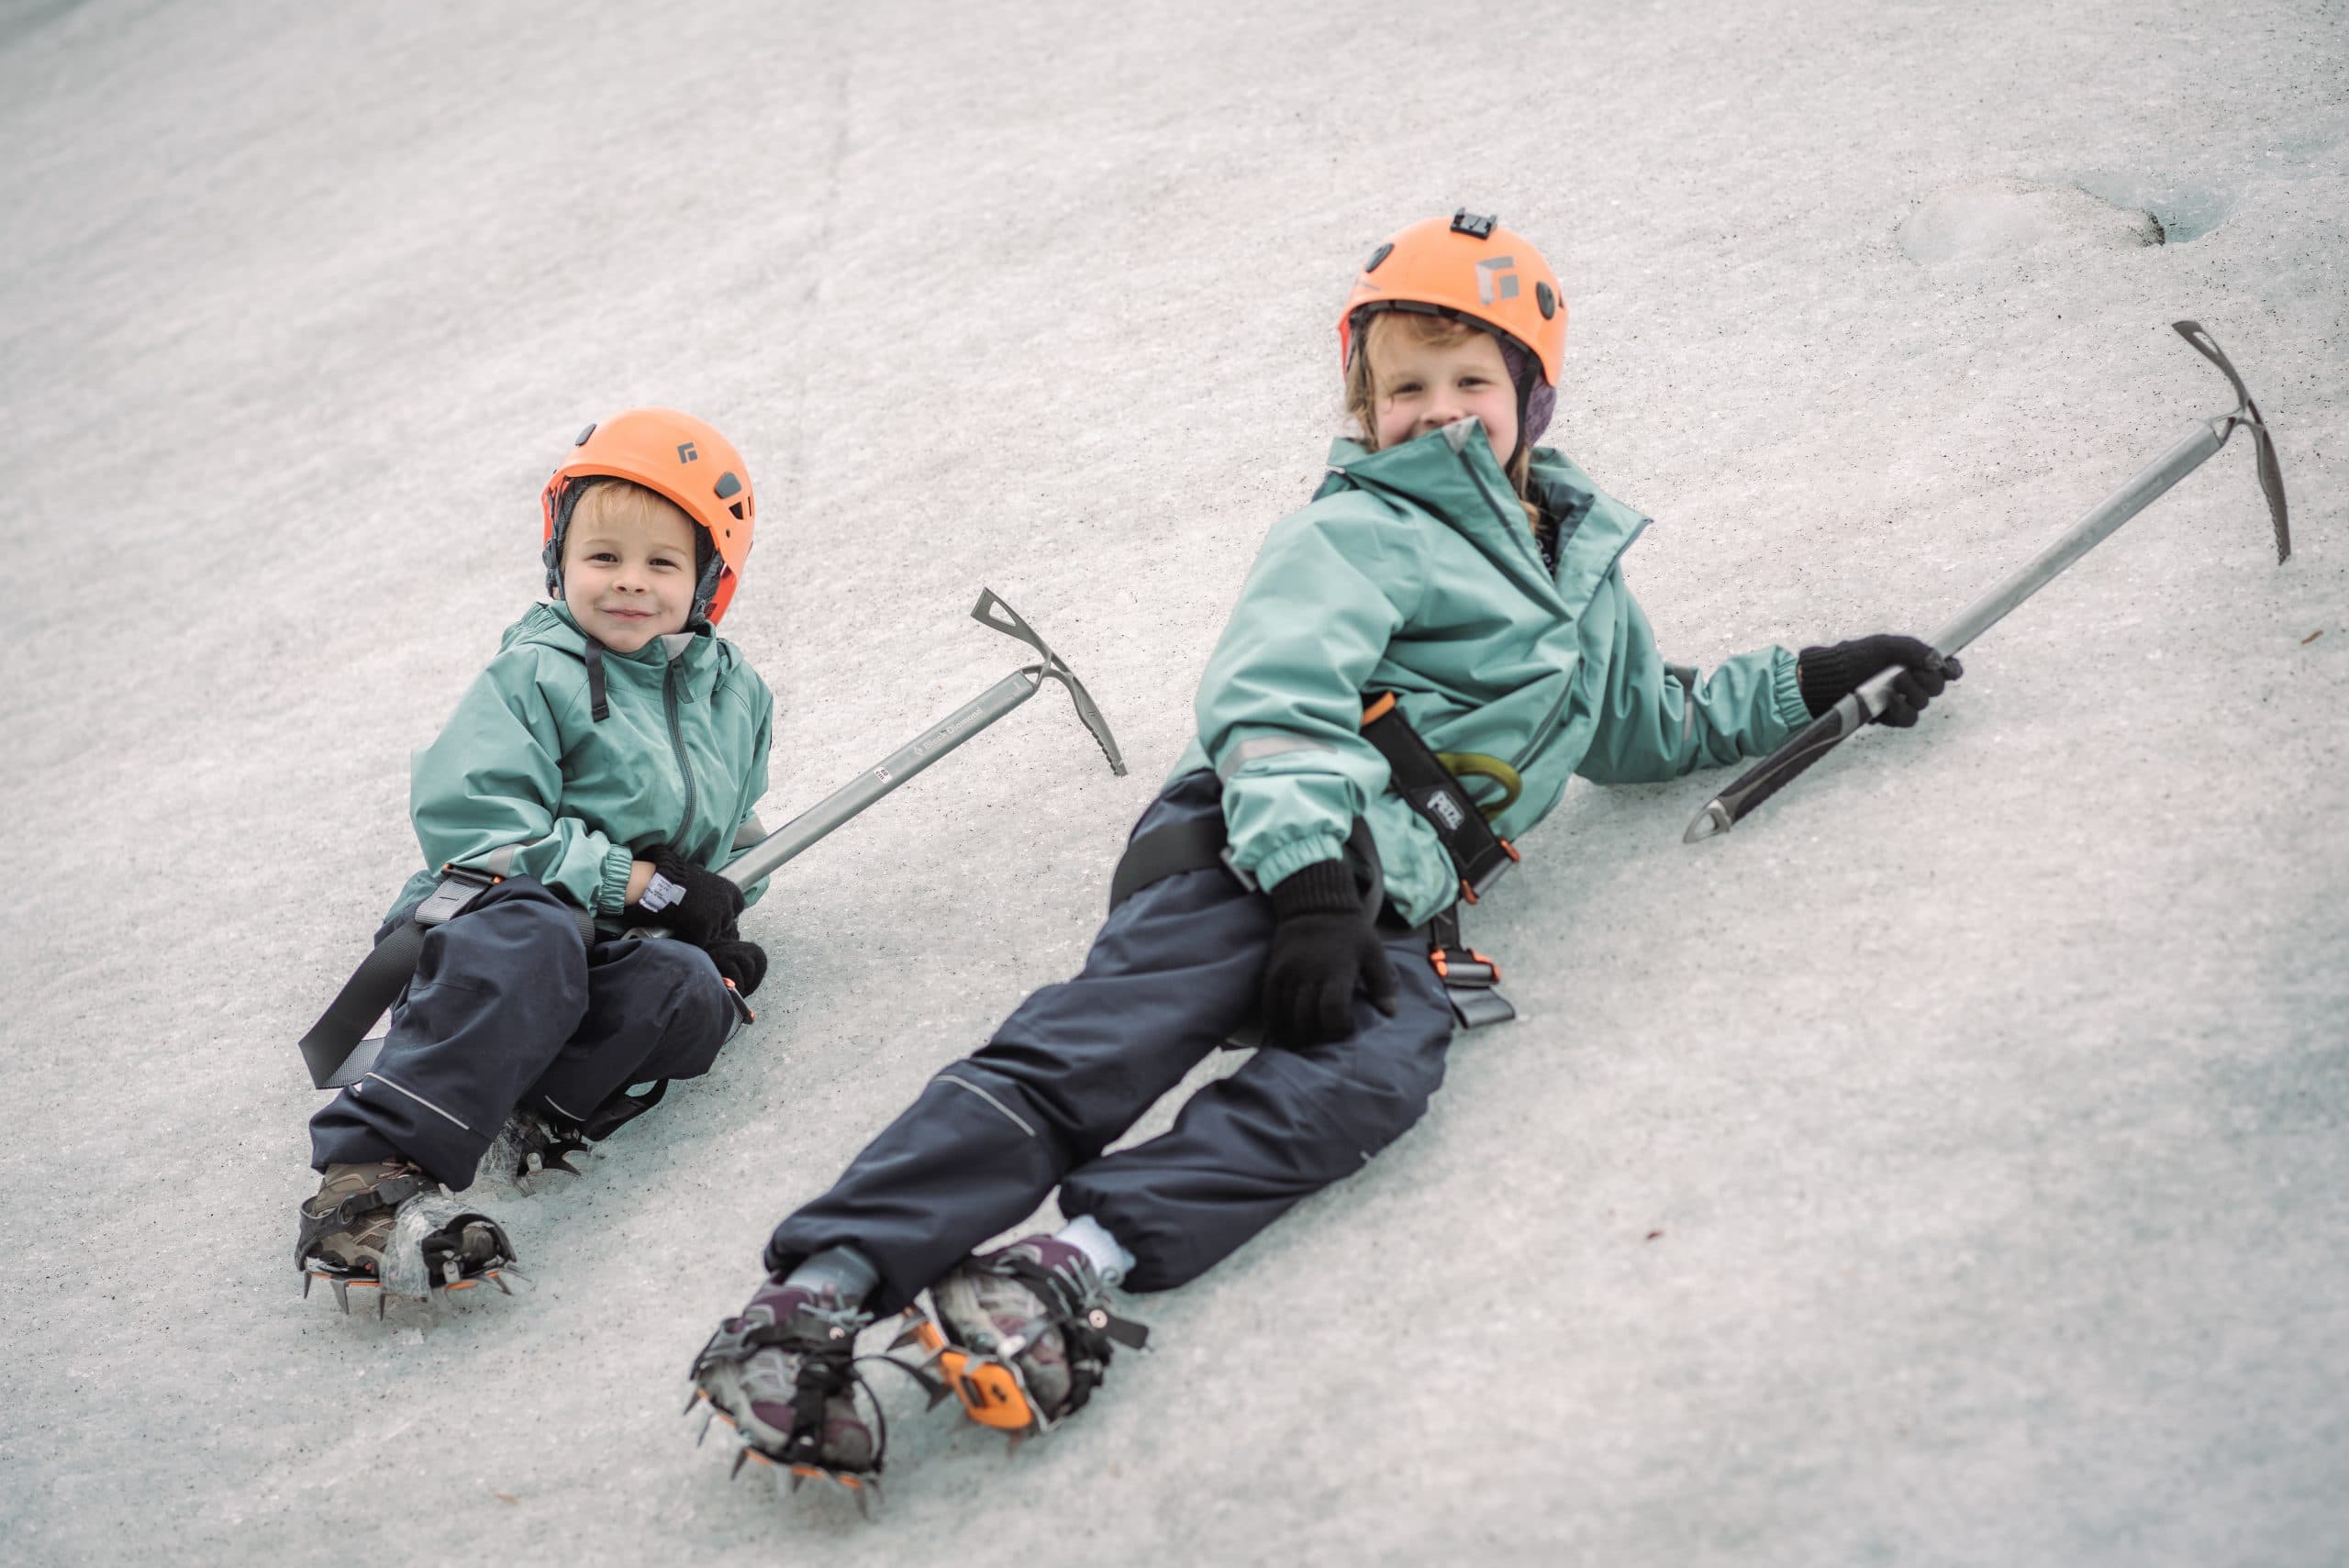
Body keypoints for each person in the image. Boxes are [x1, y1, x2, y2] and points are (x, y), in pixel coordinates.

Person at [685, 211, 1957, 1485]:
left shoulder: (1584, 577)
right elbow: (1275, 698)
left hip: (1395, 905)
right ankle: (819, 1291)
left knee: (1381, 1072)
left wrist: (1819, 680)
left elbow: (1647, 724)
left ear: (1534, 395)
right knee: (1109, 1041)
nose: (1440, 411)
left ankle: (1070, 1265)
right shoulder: (1356, 531)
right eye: (1406, 387)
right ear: (1365, 401)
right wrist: (1303, 880)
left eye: (1473, 382)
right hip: (1255, 838)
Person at [295, 408, 777, 1311]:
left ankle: (531, 1115)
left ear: (710, 578)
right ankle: (368, 1173)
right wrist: (635, 880)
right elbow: (476, 821)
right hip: (482, 921)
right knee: (539, 934)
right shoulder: (535, 672)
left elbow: (734, 829)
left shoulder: (737, 696)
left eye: (661, 563)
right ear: (561, 557)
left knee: (687, 990)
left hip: (602, 946)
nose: (628, 583)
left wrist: (717, 911)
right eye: (603, 557)